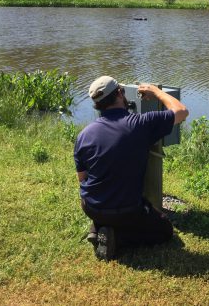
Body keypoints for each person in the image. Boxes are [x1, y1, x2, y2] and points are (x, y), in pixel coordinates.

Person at [74, 76, 188, 261]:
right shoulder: (139, 124)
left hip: (90, 206)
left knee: (111, 206)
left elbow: (82, 179)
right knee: (165, 230)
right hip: (126, 211)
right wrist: (156, 92)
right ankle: (117, 238)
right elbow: (181, 111)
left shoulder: (83, 135)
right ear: (120, 93)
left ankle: (99, 227)